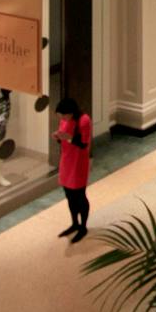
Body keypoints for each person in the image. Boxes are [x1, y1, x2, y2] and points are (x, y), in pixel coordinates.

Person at [55, 96, 92, 243]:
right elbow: (63, 135)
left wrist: (67, 138)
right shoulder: (64, 119)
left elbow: (83, 143)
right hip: (66, 160)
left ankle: (83, 226)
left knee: (79, 195)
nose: (63, 118)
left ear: (71, 112)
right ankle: (74, 223)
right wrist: (58, 137)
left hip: (78, 162)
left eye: (64, 115)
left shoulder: (84, 120)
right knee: (69, 194)